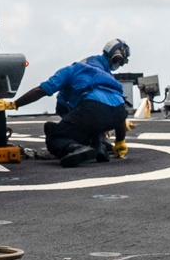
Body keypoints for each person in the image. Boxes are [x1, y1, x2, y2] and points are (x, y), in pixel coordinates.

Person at [14, 40, 131, 168]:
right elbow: (119, 109)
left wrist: (15, 104)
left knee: (54, 135)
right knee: (91, 125)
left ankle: (76, 148)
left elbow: (42, 90)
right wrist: (120, 141)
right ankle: (98, 147)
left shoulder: (73, 69)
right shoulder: (108, 77)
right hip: (119, 112)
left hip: (91, 108)